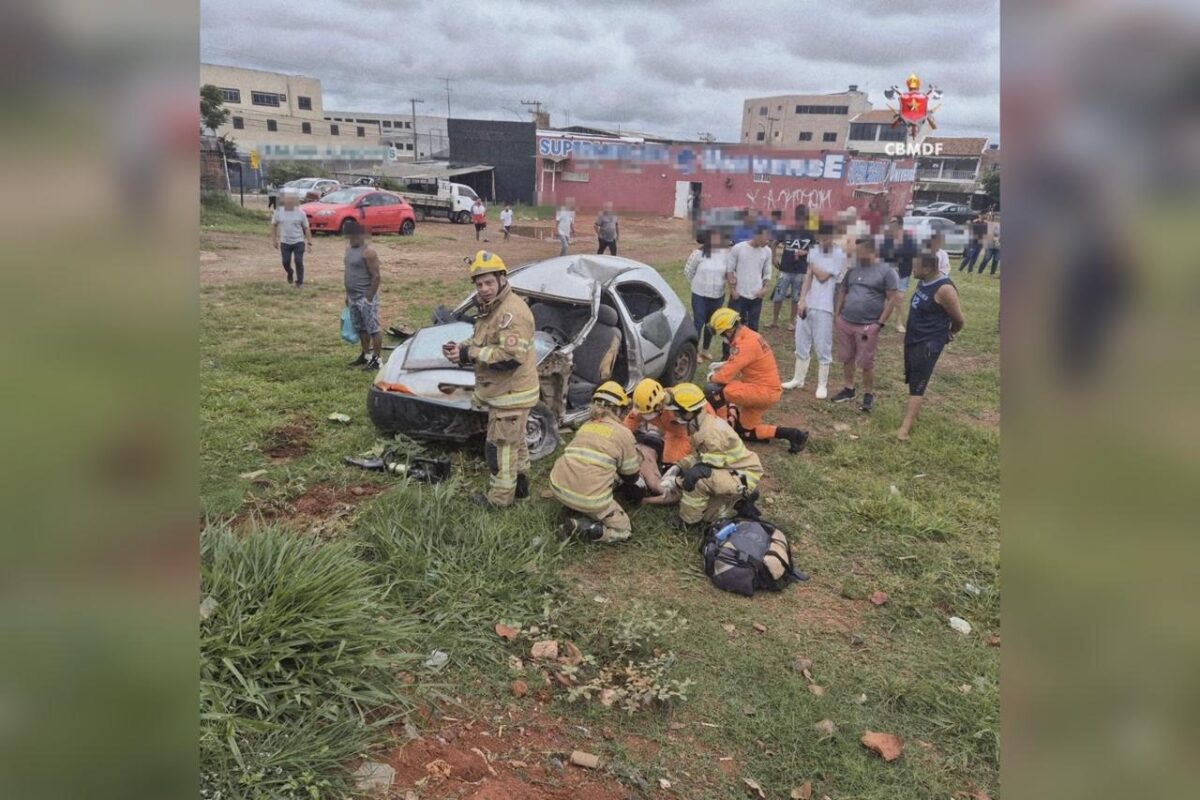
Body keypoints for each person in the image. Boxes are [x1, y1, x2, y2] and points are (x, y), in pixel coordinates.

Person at [441, 251, 539, 508]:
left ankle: (499, 501)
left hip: (511, 393)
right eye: (479, 284)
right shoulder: (493, 308)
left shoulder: (512, 312)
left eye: (489, 283)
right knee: (515, 442)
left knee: (500, 449)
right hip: (506, 392)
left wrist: (468, 353)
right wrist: (460, 349)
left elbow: (510, 357)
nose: (484, 289)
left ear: (502, 279)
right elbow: (484, 342)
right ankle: (521, 490)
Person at [551, 381, 644, 543]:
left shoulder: (586, 426)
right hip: (589, 499)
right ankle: (581, 528)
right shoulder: (623, 433)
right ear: (617, 409)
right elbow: (630, 476)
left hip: (558, 487)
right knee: (623, 530)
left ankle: (572, 507)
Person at [706, 308, 808, 453]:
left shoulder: (745, 344)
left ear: (729, 331)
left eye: (722, 334)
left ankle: (722, 432)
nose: (723, 338)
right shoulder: (750, 336)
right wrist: (724, 365)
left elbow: (723, 377)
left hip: (761, 391)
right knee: (746, 432)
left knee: (714, 390)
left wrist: (712, 376)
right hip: (765, 389)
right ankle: (794, 435)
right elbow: (742, 362)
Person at [666, 383, 764, 529]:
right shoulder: (702, 423)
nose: (674, 416)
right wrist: (679, 466)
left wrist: (678, 481)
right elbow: (700, 457)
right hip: (734, 470)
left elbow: (703, 470)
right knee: (695, 485)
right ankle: (740, 500)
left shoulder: (709, 434)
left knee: (695, 479)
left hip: (742, 475)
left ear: (688, 412)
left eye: (676, 412)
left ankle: (688, 522)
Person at [897, 253, 966, 440]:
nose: (912, 270)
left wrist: (950, 332)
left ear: (928, 269)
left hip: (928, 342)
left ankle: (905, 428)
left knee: (920, 380)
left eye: (915, 267)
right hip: (913, 337)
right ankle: (914, 415)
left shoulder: (944, 289)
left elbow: (959, 320)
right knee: (912, 375)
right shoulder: (923, 281)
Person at [831, 237, 900, 412]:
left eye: (860, 252)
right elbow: (843, 291)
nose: (857, 255)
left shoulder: (886, 271)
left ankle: (868, 393)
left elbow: (892, 299)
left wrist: (879, 323)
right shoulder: (853, 269)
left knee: (866, 361)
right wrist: (837, 314)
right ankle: (848, 388)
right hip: (845, 321)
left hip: (867, 325)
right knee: (847, 357)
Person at [782, 224, 847, 398]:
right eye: (821, 237)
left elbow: (823, 276)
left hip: (825, 306)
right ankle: (798, 378)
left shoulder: (839, 254)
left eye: (827, 238)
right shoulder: (814, 250)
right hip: (809, 303)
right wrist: (802, 300)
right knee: (801, 340)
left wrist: (812, 267)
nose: (824, 241)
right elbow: (808, 277)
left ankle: (822, 384)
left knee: (822, 344)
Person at [683, 228, 728, 362]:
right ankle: (695, 351)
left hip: (718, 295)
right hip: (700, 295)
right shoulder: (698, 253)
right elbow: (688, 271)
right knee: (698, 323)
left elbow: (728, 272)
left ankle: (705, 350)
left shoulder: (724, 254)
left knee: (712, 324)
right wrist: (698, 284)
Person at [343, 220, 382, 370]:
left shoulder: (368, 252)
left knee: (373, 328)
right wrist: (347, 294)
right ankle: (365, 355)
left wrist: (369, 298)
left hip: (365, 297)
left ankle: (377, 359)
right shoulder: (348, 249)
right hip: (353, 297)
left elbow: (376, 276)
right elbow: (349, 272)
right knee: (361, 328)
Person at [769, 205, 814, 330]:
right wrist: (774, 258)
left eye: (805, 218)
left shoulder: (811, 233)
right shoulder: (787, 230)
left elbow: (817, 250)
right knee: (778, 295)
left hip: (801, 270)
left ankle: (792, 322)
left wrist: (806, 252)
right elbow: (774, 243)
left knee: (796, 297)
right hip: (785, 269)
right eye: (800, 218)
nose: (802, 221)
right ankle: (774, 320)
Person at [724, 222, 773, 334]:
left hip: (756, 296)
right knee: (732, 327)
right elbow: (730, 270)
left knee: (753, 327)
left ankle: (750, 350)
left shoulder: (767, 251)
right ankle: (728, 351)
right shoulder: (738, 248)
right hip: (738, 295)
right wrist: (732, 290)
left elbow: (767, 271)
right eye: (765, 237)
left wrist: (765, 287)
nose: (768, 240)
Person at [879, 216, 917, 333]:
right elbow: (881, 253)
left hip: (903, 272)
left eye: (893, 222)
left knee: (899, 298)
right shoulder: (886, 238)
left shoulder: (908, 238)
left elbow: (913, 254)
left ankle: (899, 322)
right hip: (888, 272)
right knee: (885, 297)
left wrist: (914, 268)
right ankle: (881, 320)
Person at [270, 190, 312, 287]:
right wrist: (274, 240)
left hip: (298, 241)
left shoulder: (301, 213)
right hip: (285, 242)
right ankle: (290, 272)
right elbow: (273, 225)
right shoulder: (278, 212)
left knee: (298, 260)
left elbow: (306, 228)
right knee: (285, 262)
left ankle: (299, 282)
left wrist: (309, 242)